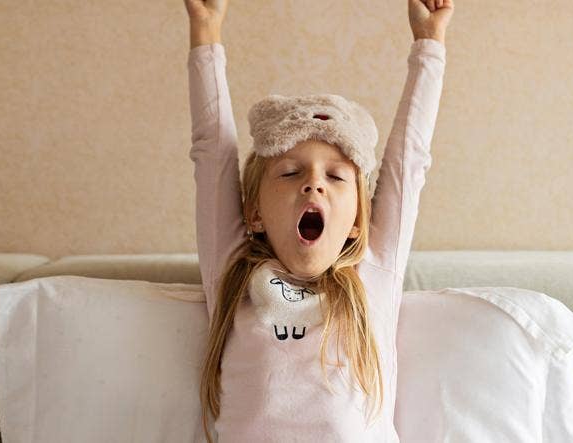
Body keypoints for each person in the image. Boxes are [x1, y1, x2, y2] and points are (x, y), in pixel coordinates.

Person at [184, 1, 452, 441]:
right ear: (253, 213)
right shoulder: (234, 273)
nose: (314, 185)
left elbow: (409, 163)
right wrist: (205, 29)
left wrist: (429, 44)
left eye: (335, 176)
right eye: (290, 173)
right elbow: (211, 151)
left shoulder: (373, 273)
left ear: (355, 222)